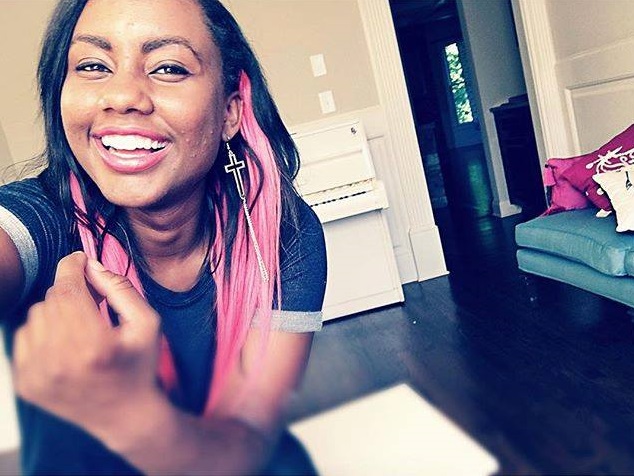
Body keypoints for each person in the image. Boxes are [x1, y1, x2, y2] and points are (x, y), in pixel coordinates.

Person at [0, 0, 327, 474]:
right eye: (93, 65)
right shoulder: (39, 217)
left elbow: (249, 441)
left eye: (169, 67)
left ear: (230, 112)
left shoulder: (282, 235)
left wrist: (136, 422)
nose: (121, 96)